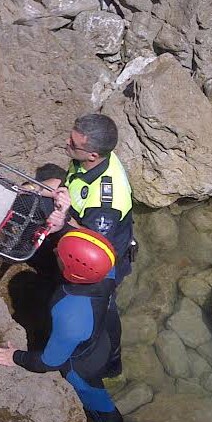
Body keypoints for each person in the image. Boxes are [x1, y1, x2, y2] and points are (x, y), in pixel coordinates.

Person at [0, 228, 129, 422]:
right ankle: (114, 370)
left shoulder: (70, 313)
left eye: (59, 253)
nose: (54, 250)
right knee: (108, 357)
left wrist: (15, 357)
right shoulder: (107, 268)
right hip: (104, 338)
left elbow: (49, 362)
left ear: (75, 271)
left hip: (81, 365)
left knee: (102, 409)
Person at [47, 113, 134, 375]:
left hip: (104, 258)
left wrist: (63, 220)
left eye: (73, 144)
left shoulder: (106, 200)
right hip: (86, 223)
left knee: (104, 307)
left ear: (93, 154)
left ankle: (110, 361)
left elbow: (93, 244)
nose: (66, 143)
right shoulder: (90, 159)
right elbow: (75, 182)